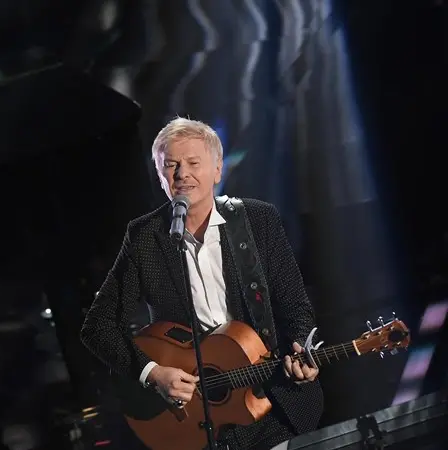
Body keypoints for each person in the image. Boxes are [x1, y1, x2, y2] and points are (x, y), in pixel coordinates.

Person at [80, 117, 323, 449]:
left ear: (217, 169)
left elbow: (295, 307)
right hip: (197, 420)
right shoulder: (145, 238)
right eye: (171, 165)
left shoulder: (257, 220)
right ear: (160, 177)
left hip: (271, 403)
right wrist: (153, 373)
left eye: (194, 163)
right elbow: (98, 326)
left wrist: (301, 352)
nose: (182, 174)